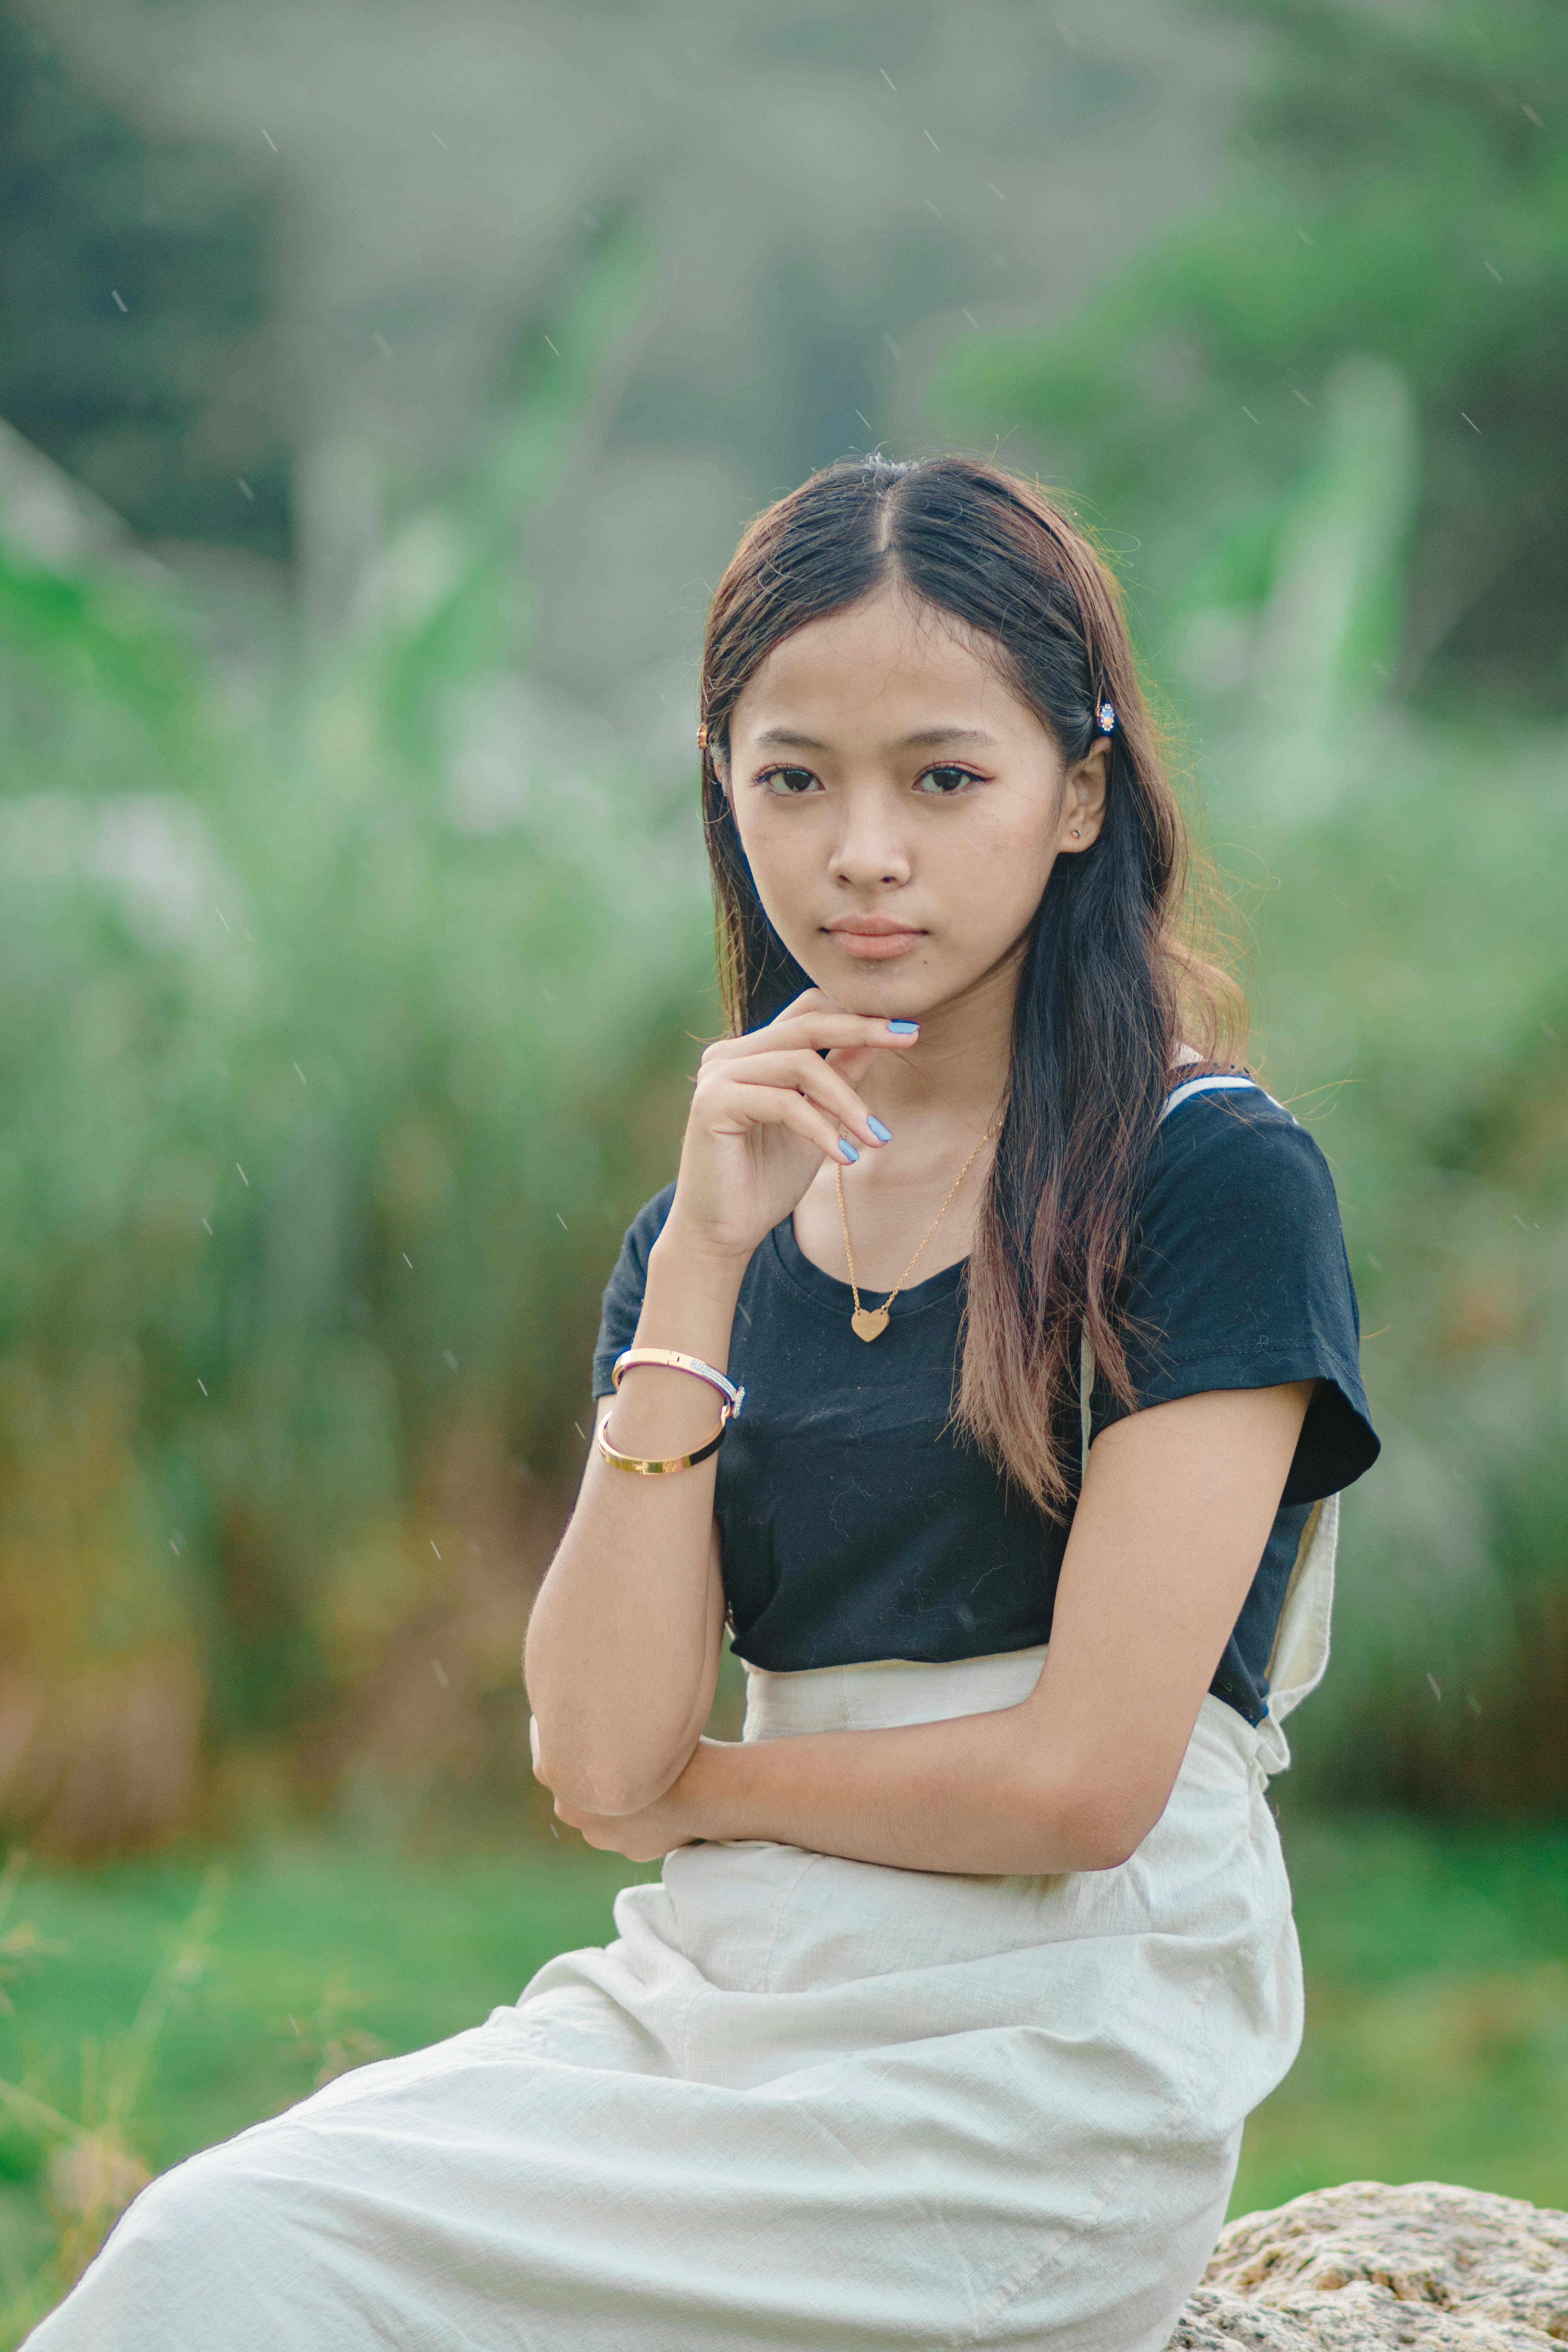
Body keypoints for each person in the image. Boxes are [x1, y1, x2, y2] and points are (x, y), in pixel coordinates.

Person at [30, 455, 1378, 2351]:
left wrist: (712, 1796)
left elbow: (1083, 1785)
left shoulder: (1207, 1179)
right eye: (792, 779)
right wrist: (697, 1272)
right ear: (722, 789)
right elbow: (592, 1753)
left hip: (1037, 2060)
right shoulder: (716, 1211)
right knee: (214, 2245)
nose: (862, 853)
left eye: (943, 776)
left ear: (1078, 793)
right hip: (713, 2005)